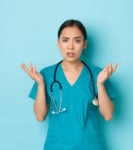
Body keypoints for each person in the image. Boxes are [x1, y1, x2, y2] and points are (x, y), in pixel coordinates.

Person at [21, 19, 118, 150]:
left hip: (90, 146)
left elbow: (108, 115)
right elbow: (40, 116)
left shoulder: (98, 74)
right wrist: (40, 85)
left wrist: (100, 84)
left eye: (77, 41)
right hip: (56, 146)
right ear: (58, 43)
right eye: (65, 40)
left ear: (84, 44)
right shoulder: (46, 75)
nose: (70, 46)